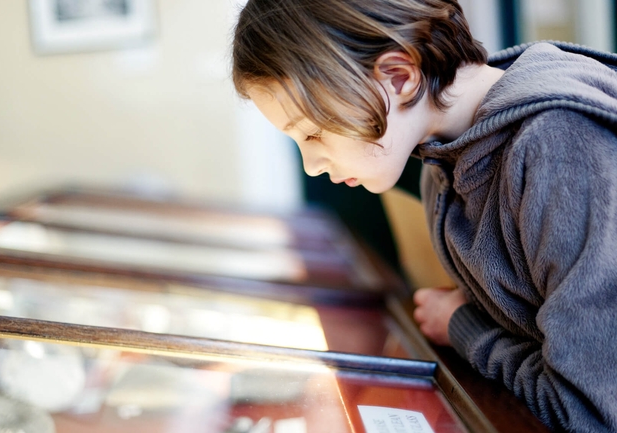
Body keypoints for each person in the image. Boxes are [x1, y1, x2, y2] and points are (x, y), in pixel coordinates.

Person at [231, 0, 617, 431]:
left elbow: (588, 410)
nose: (312, 165)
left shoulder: (560, 146)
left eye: (314, 132)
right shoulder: (440, 167)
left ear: (399, 77)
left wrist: (462, 328)